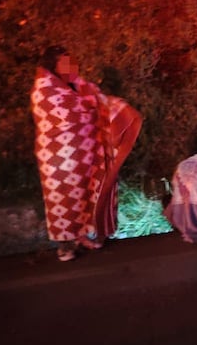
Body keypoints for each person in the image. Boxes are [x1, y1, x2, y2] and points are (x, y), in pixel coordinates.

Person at [31, 46, 142, 262]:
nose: (70, 66)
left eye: (71, 61)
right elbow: (68, 115)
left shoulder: (77, 83)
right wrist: (95, 106)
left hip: (87, 152)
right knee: (63, 199)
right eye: (64, 63)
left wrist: (110, 107)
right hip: (59, 158)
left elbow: (98, 99)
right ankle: (65, 246)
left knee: (89, 192)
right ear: (52, 66)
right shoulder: (44, 89)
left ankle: (88, 234)